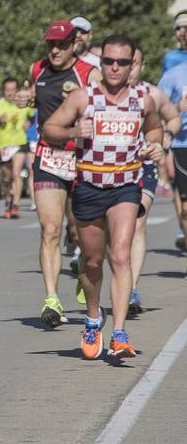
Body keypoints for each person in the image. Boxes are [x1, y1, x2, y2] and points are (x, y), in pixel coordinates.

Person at [42, 35, 164, 359]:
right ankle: (94, 318)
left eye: (122, 62)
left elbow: (154, 129)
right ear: (102, 62)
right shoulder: (84, 98)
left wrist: (156, 145)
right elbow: (49, 128)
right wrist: (73, 132)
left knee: (120, 256)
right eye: (108, 61)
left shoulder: (142, 100)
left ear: (132, 64)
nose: (115, 68)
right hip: (89, 186)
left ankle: (120, 333)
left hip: (126, 186)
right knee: (93, 261)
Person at [29, 20, 98, 327]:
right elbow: (38, 97)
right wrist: (26, 97)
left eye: (61, 45)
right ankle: (51, 299)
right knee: (50, 229)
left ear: (74, 44)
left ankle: (84, 269)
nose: (55, 50)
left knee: (80, 233)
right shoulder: (37, 69)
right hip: (48, 157)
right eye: (51, 45)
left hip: (81, 159)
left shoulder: (89, 73)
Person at [128, 45, 179, 313]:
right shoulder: (97, 94)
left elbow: (174, 118)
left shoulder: (152, 93)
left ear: (142, 66)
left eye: (133, 63)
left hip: (142, 167)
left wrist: (166, 136)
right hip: (106, 171)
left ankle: (131, 288)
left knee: (137, 225)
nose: (127, 68)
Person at [157, 26, 187, 272]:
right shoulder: (173, 72)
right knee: (185, 206)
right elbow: (158, 108)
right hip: (182, 143)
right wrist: (177, 108)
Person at [0, 77, 36, 219]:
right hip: (3, 145)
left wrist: (28, 122)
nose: (10, 93)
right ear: (3, 91)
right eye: (7, 90)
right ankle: (8, 200)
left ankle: (15, 205)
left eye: (13, 90)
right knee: (6, 177)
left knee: (16, 173)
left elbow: (32, 116)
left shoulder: (23, 104)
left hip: (20, 143)